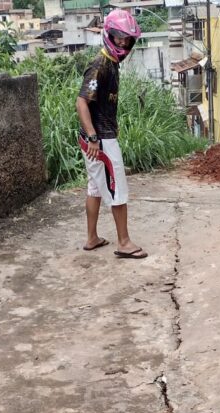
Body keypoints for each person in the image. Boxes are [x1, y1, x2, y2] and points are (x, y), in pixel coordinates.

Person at [76, 9, 147, 259]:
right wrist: (93, 137)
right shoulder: (100, 65)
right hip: (101, 139)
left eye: (127, 39)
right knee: (118, 188)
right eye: (119, 37)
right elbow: (81, 102)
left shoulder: (111, 63)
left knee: (95, 188)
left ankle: (92, 238)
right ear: (109, 35)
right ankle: (124, 242)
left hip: (99, 138)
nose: (123, 42)